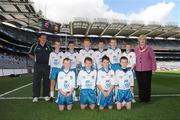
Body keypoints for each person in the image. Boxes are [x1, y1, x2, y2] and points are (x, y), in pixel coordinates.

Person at [29, 33, 53, 102]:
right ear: (39, 38)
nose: (44, 39)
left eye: (45, 38)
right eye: (42, 38)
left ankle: (46, 95)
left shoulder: (48, 46)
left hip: (47, 66)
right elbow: (30, 54)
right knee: (36, 81)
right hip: (38, 65)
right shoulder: (35, 45)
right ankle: (36, 96)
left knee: (47, 81)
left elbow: (52, 54)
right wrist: (35, 59)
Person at [134, 35, 157, 103]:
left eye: (143, 39)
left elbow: (153, 59)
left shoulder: (149, 48)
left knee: (147, 84)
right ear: (138, 41)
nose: (142, 41)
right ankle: (141, 98)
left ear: (145, 41)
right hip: (138, 69)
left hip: (147, 69)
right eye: (140, 39)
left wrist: (153, 69)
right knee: (140, 84)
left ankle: (147, 98)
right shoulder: (135, 49)